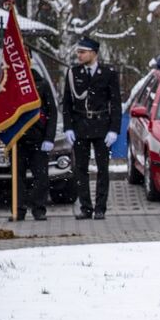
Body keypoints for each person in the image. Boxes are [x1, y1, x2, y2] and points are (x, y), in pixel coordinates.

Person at [61, 37, 121, 220]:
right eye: (78, 52)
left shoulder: (108, 73)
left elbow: (116, 103)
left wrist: (114, 129)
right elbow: (67, 103)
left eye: (83, 52)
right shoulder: (73, 73)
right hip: (80, 125)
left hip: (101, 125)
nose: (79, 55)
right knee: (81, 169)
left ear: (94, 54)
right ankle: (85, 207)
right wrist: (68, 127)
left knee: (102, 169)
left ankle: (100, 207)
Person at [13, 63, 57, 221]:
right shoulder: (10, 82)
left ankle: (38, 209)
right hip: (17, 138)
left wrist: (49, 138)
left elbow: (52, 111)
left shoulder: (41, 83)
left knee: (41, 176)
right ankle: (18, 209)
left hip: (38, 137)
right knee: (18, 177)